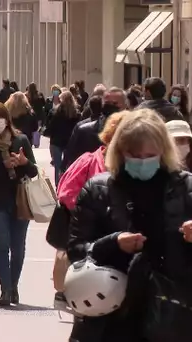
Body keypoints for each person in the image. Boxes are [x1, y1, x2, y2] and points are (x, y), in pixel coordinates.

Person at [67, 109, 192, 342]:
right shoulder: (98, 190)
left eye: (150, 154)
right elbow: (76, 249)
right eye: (134, 154)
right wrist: (112, 244)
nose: (142, 161)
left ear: (163, 152)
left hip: (173, 316)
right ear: (120, 152)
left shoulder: (187, 189)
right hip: (109, 316)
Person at [51, 112, 127, 310]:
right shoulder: (88, 161)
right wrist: (90, 210)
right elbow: (66, 193)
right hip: (89, 239)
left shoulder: (135, 167)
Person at [0, 101, 37, 306]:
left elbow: (34, 171)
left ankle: (14, 285)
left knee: (18, 247)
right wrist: (2, 165)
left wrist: (24, 163)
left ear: (7, 118)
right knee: (2, 245)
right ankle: (5, 289)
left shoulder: (21, 140)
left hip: (20, 199)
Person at [61, 87, 128, 172]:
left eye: (114, 103)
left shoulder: (133, 132)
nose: (110, 106)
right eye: (107, 103)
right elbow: (72, 160)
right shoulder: (84, 131)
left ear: (125, 106)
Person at [46, 91, 81, 185]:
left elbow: (50, 127)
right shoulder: (76, 113)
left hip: (56, 142)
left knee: (57, 166)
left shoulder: (55, 112)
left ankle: (58, 185)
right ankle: (67, 184)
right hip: (70, 142)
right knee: (69, 165)